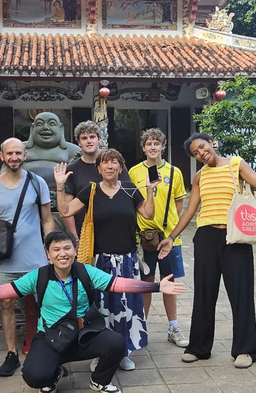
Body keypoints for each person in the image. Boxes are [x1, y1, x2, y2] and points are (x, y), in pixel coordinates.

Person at [0, 230, 186, 393]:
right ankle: (54, 373)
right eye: (56, 250)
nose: (62, 254)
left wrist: (155, 286)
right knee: (34, 376)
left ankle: (99, 380)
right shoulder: (39, 276)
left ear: (74, 251)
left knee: (116, 342)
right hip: (51, 336)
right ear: (48, 254)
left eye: (66, 248)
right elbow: (4, 292)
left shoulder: (86, 272)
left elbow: (119, 284)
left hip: (84, 333)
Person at [158, 133, 256, 369]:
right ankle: (199, 348)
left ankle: (245, 350)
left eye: (202, 147)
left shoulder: (236, 164)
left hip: (235, 236)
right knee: (204, 293)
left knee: (241, 294)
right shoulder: (200, 176)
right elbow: (190, 210)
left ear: (211, 143)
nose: (201, 153)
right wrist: (171, 237)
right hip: (206, 237)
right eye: (196, 153)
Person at [55, 148, 159, 371]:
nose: (110, 166)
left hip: (128, 262)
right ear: (99, 168)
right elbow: (64, 211)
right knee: (102, 309)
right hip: (101, 262)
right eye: (105, 163)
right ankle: (101, 353)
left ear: (121, 167)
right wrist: (60, 186)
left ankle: (124, 352)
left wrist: (150, 191)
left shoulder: (131, 190)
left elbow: (148, 214)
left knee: (127, 307)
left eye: (114, 163)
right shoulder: (90, 191)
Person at [0, 138, 55, 376]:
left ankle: (49, 348)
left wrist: (51, 248)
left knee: (47, 303)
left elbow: (47, 218)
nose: (14, 157)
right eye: (9, 153)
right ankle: (11, 353)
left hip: (35, 258)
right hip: (5, 259)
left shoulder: (37, 182)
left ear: (25, 155)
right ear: (1, 156)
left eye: (18, 153)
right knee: (6, 304)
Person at [128, 128, 189, 348]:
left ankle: (173, 326)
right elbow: (132, 203)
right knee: (145, 284)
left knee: (169, 281)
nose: (153, 147)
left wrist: (170, 228)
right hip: (143, 239)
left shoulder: (175, 172)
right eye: (149, 144)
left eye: (157, 143)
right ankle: (142, 326)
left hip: (169, 238)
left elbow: (179, 204)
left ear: (163, 146)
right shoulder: (134, 172)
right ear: (143, 148)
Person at [62, 120, 130, 239]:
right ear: (79, 143)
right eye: (84, 138)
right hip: (84, 234)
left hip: (115, 232)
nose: (89, 141)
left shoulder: (114, 166)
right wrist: (75, 239)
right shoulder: (71, 170)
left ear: (99, 139)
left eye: (92, 137)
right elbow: (67, 210)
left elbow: (128, 198)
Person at [22, 112, 81, 198]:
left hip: (61, 197)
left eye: (52, 124)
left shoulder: (73, 150)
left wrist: (60, 195)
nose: (45, 128)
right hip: (26, 197)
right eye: (39, 124)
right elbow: (6, 174)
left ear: (60, 128)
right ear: (32, 128)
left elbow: (80, 179)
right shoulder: (19, 148)